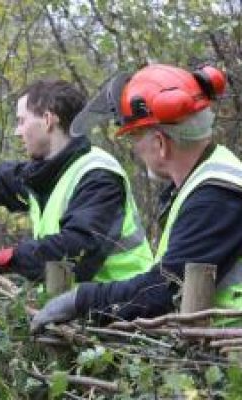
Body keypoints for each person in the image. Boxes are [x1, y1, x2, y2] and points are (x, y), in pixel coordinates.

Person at [31, 64, 242, 332]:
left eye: (134, 137)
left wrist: (80, 300)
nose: (135, 150)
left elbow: (161, 291)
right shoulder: (208, 179)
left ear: (160, 143)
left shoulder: (215, 196)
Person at [0, 79, 152, 283]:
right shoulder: (46, 171)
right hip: (81, 310)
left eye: (22, 121)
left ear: (48, 120)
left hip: (127, 310)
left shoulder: (98, 176)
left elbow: (77, 248)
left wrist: (10, 258)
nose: (17, 131)